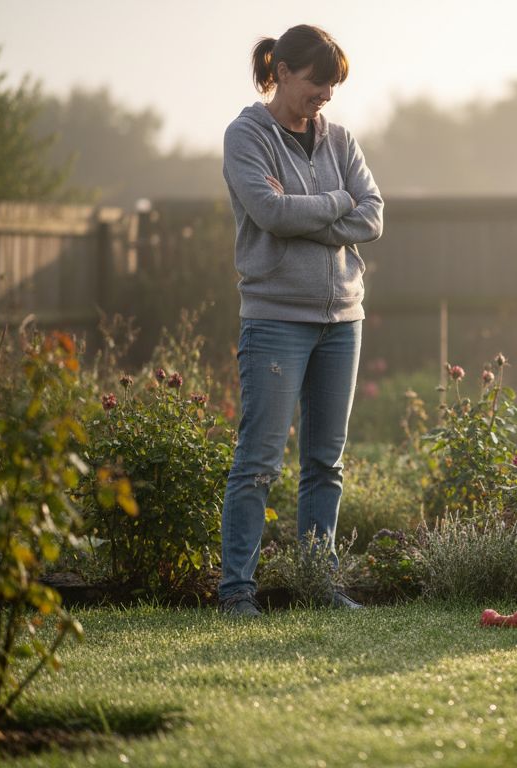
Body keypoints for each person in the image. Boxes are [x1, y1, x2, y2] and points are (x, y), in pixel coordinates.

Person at [217, 24, 383, 616]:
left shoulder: (339, 139)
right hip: (275, 320)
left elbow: (374, 215)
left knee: (325, 462)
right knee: (259, 462)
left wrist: (309, 209)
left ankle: (318, 587)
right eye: (317, 82)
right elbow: (268, 213)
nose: (326, 96)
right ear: (282, 71)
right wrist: (338, 204)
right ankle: (237, 591)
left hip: (343, 319)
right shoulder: (247, 136)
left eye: (332, 86)